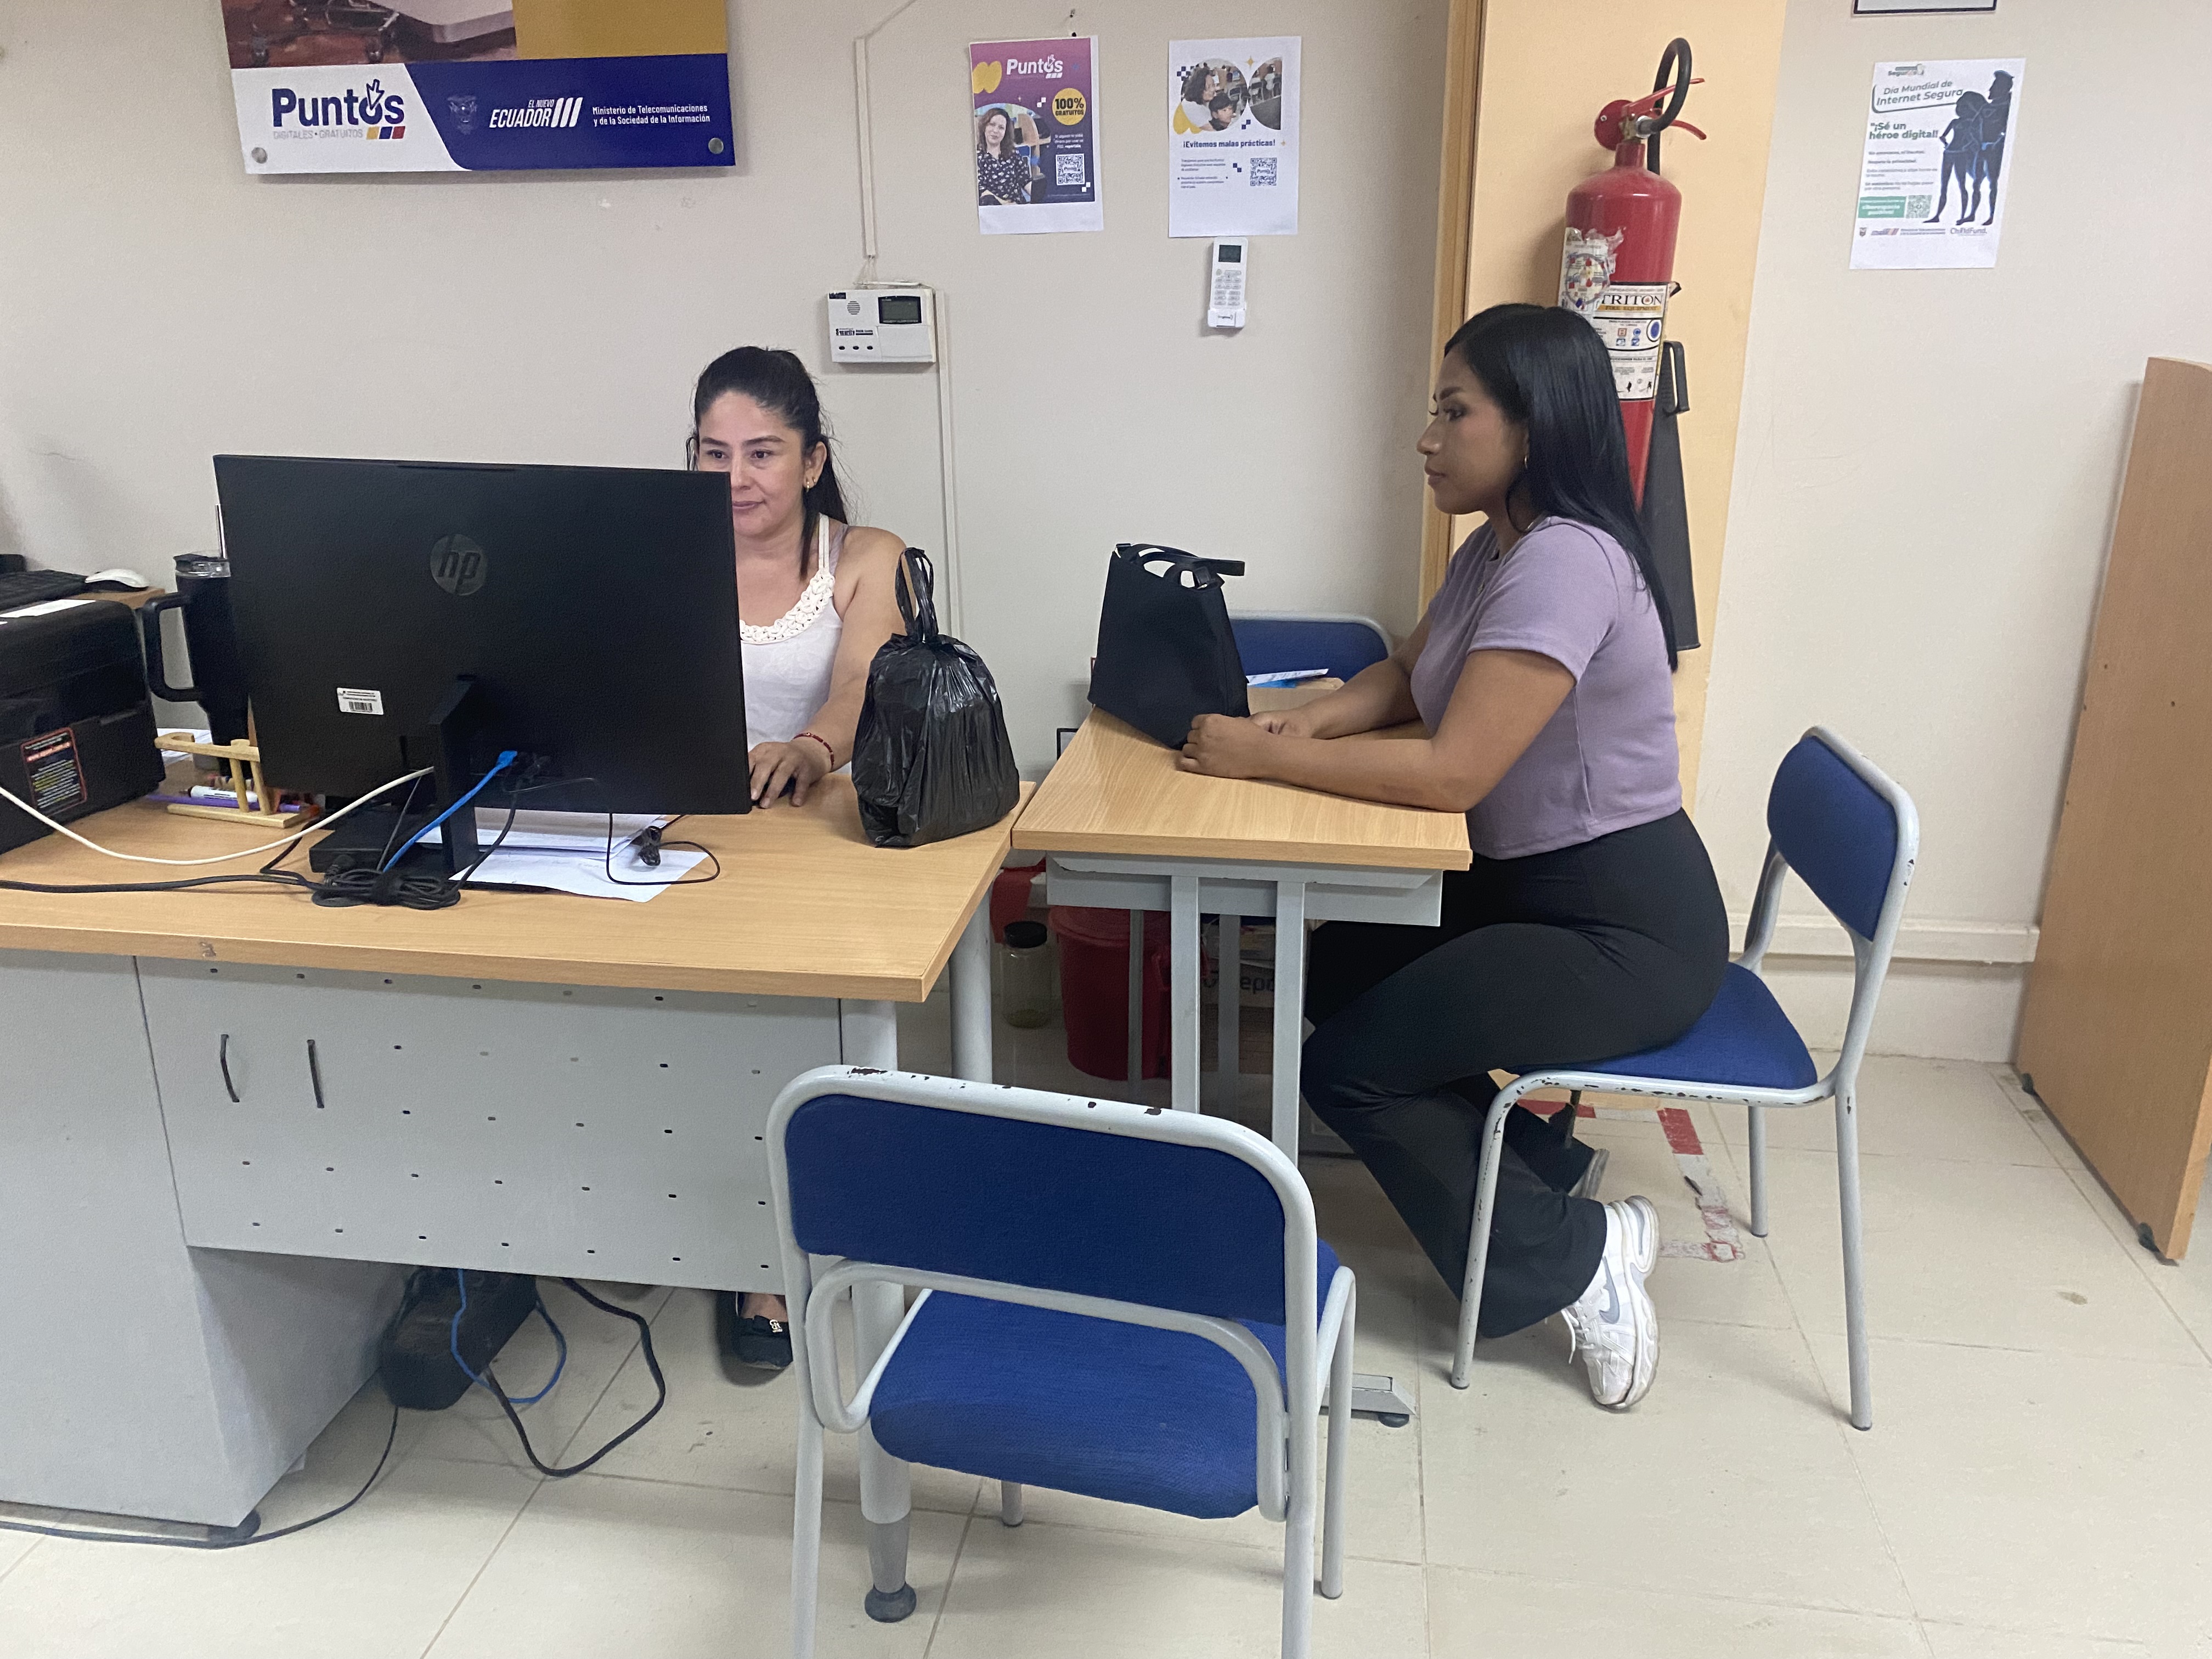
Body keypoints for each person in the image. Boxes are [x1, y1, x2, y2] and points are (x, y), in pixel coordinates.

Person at [1178, 303, 1727, 1410]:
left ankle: (1578, 1261)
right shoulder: (1497, 547)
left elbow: (1451, 771)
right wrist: (1300, 722)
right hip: (1534, 885)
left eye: (1454, 412)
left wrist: (1264, 759)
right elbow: (1404, 675)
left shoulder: (1565, 561)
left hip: (1620, 923)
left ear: (1532, 426)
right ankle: (1540, 1176)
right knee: (1339, 967)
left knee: (1353, 1067)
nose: (1428, 438)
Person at [688, 345, 907, 1367]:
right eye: (714, 452)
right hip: (690, 831)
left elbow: (866, 680)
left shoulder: (865, 556)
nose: (736, 475)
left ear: (812, 460)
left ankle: (770, 1258)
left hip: (816, 836)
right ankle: (680, 1216)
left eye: (762, 452)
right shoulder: (659, 554)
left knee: (776, 1035)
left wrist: (813, 747)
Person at [975, 108, 1029, 206]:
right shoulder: (976, 157)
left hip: (1018, 208)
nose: (995, 130)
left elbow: (1025, 180)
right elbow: (982, 191)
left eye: (1001, 128)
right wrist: (1005, 205)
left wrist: (1039, 197)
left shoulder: (1013, 153)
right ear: (984, 126)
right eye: (992, 125)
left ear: (1006, 132)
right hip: (993, 210)